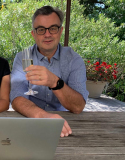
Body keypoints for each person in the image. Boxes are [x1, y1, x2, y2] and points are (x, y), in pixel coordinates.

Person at [10, 6, 89, 137]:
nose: (47, 34)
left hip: (66, 124)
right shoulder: (23, 57)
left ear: (60, 31)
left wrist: (55, 82)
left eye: (53, 28)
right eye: (41, 30)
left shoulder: (74, 60)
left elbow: (78, 107)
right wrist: (44, 116)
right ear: (33, 34)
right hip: (30, 121)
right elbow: (17, 97)